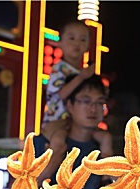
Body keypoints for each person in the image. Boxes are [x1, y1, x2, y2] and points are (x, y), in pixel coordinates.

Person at [42, 20, 107, 156]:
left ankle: (107, 173)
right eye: (71, 38)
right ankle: (49, 171)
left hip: (77, 123)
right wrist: (81, 78)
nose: (77, 43)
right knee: (58, 140)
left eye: (83, 39)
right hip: (58, 121)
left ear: (88, 45)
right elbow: (60, 94)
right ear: (60, 43)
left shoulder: (85, 72)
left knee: (106, 138)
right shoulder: (59, 68)